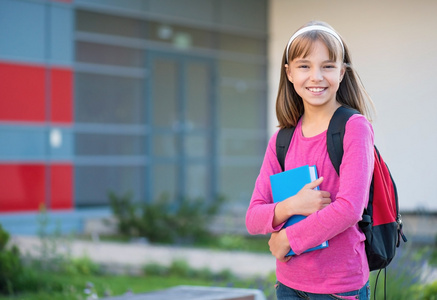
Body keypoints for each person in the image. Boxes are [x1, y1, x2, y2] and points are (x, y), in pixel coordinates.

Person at [245, 21, 375, 299]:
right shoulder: (283, 138)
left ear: (341, 72)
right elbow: (253, 217)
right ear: (289, 73)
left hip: (338, 288)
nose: (316, 76)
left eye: (327, 66)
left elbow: (350, 209)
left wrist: (288, 239)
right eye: (304, 66)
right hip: (288, 285)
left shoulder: (354, 127)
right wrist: (293, 205)